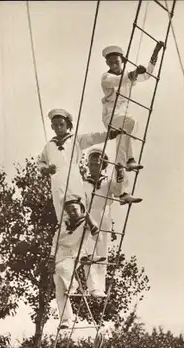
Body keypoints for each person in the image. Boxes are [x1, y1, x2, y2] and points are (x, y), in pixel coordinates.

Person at [38, 108, 122, 223]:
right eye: (55, 125)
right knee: (62, 214)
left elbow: (93, 137)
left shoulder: (76, 139)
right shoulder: (49, 146)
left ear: (67, 125)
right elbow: (41, 162)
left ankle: (88, 224)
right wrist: (46, 170)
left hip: (72, 177)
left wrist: (109, 135)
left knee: (76, 206)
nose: (58, 128)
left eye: (61, 124)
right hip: (57, 181)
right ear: (52, 127)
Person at [101, 41, 165, 170]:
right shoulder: (106, 77)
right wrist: (133, 74)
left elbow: (147, 75)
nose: (114, 65)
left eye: (116, 62)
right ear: (107, 63)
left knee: (124, 132)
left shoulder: (128, 74)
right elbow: (117, 80)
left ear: (122, 61)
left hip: (123, 115)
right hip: (110, 116)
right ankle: (129, 159)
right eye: (111, 62)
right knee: (129, 122)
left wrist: (155, 52)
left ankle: (121, 165)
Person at [49, 198, 105, 329]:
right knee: (59, 289)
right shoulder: (63, 224)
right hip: (60, 254)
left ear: (81, 209)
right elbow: (55, 242)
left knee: (62, 269)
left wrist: (91, 223)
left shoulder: (86, 222)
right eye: (69, 211)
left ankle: (74, 285)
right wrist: (50, 259)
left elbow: (99, 239)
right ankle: (66, 320)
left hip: (76, 254)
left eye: (74, 209)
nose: (72, 213)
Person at [82, 148, 131, 296]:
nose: (94, 167)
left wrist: (119, 172)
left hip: (104, 215)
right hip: (88, 215)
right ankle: (93, 287)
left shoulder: (107, 181)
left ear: (103, 165)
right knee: (88, 251)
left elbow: (118, 190)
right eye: (92, 164)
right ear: (88, 165)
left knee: (102, 251)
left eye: (98, 164)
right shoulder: (83, 182)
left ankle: (100, 287)